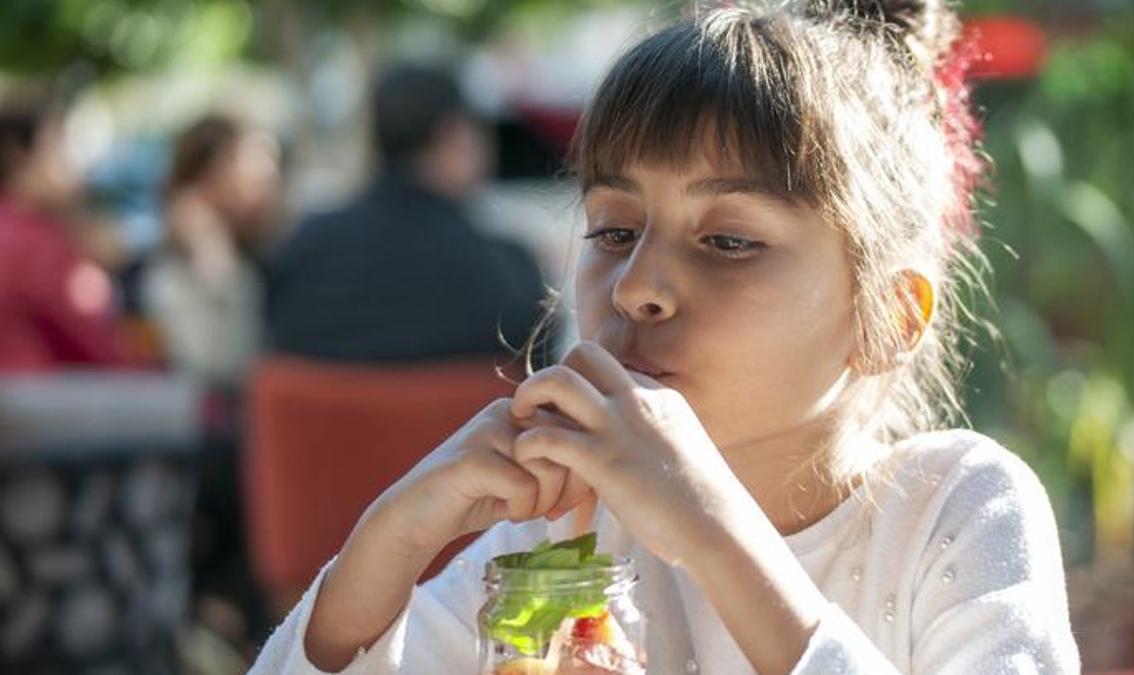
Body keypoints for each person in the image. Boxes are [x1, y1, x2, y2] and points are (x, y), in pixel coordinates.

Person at [250, 2, 1080, 673]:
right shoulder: (567, 531)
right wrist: (391, 540)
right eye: (614, 231)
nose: (638, 286)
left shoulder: (958, 510)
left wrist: (713, 531)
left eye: (728, 240)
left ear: (888, 317)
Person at [265, 63, 545, 364]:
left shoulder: (300, 251)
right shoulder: (505, 268)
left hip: (317, 413)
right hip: (456, 413)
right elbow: (539, 376)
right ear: (453, 133)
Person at [139, 114, 280, 389]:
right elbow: (218, 368)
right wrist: (213, 254)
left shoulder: (286, 247)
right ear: (204, 181)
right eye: (253, 164)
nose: (269, 176)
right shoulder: (173, 277)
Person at [0, 101, 125, 372]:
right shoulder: (34, 240)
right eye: (59, 145)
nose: (73, 164)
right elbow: (95, 348)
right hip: (36, 403)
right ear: (18, 154)